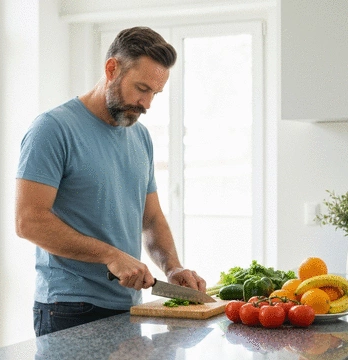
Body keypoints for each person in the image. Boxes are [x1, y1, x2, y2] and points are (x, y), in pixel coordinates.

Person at [15, 26, 207, 337]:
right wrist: (109, 255)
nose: (147, 104)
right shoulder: (52, 129)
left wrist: (172, 268)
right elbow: (28, 221)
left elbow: (151, 218)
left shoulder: (140, 136)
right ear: (111, 68)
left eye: (154, 93)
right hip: (68, 308)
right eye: (141, 88)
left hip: (128, 305)